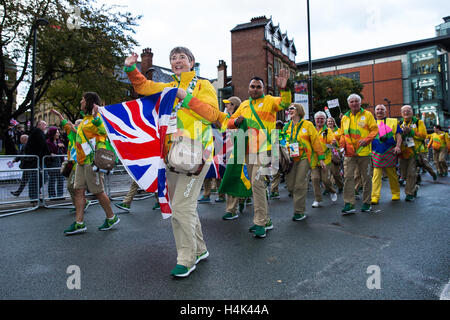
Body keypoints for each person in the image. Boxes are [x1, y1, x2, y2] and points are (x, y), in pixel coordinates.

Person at [124, 47, 228, 277]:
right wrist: (131, 67)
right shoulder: (167, 87)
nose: (177, 61)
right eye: (173, 58)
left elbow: (212, 115)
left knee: (182, 207)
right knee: (182, 206)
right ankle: (200, 250)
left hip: (197, 157)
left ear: (192, 62)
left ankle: (187, 257)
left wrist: (185, 97)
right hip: (171, 157)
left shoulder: (203, 85)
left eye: (182, 57)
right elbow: (143, 86)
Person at [225, 71, 291, 238]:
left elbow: (284, 103)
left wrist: (284, 89)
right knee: (257, 185)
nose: (255, 89)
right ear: (248, 89)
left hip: (264, 149)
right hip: (247, 150)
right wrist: (235, 121)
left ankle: (260, 222)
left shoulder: (269, 100)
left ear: (263, 88)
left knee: (257, 183)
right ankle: (265, 220)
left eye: (258, 87)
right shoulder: (245, 105)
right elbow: (229, 122)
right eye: (252, 86)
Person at [63, 92, 120, 235]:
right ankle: (79, 223)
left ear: (89, 102)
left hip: (92, 162)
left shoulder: (97, 118)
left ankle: (111, 217)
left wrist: (96, 117)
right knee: (78, 191)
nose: (80, 102)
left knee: (98, 192)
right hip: (81, 162)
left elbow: (104, 131)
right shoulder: (84, 121)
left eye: (82, 100)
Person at [283, 103, 325, 221]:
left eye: (292, 108)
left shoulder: (308, 124)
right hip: (290, 159)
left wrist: (321, 158)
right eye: (289, 108)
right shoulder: (287, 126)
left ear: (299, 110)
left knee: (299, 185)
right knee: (291, 186)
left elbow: (316, 142)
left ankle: (299, 211)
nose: (289, 110)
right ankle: (299, 205)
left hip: (304, 158)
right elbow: (281, 140)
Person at [339, 94, 378, 214]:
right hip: (349, 153)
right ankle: (349, 204)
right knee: (348, 178)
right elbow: (342, 134)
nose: (354, 103)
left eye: (356, 101)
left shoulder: (367, 115)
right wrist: (341, 146)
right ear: (348, 104)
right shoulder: (345, 117)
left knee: (366, 178)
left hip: (364, 152)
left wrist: (367, 140)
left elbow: (374, 130)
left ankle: (367, 203)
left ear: (360, 103)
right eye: (351, 102)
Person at [50, 109, 90, 213]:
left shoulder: (85, 135)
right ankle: (81, 204)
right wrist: (59, 114)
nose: (74, 126)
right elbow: (65, 123)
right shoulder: (72, 134)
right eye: (75, 124)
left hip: (80, 164)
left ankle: (81, 204)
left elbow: (81, 136)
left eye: (77, 124)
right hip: (73, 164)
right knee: (73, 187)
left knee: (71, 186)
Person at [370, 104, 403, 205]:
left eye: (382, 109)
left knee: (392, 174)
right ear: (374, 112)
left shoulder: (393, 121)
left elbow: (398, 136)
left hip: (390, 150)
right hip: (375, 151)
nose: (379, 111)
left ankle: (396, 193)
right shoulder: (371, 123)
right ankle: (375, 196)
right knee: (376, 175)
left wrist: (398, 146)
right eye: (378, 109)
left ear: (386, 111)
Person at [398, 105, 427, 201]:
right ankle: (414, 188)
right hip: (402, 153)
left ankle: (409, 193)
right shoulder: (400, 123)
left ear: (412, 111)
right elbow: (396, 136)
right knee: (404, 174)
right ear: (401, 113)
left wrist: (411, 132)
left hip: (414, 152)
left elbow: (423, 136)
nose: (406, 112)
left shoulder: (419, 122)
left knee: (411, 173)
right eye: (404, 111)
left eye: (408, 110)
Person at [311, 111, 338, 207]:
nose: (319, 120)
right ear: (315, 120)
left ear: (325, 120)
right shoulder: (312, 130)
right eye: (318, 118)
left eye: (322, 118)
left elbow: (331, 140)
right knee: (315, 179)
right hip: (314, 159)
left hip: (325, 160)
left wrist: (333, 142)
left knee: (325, 180)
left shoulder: (327, 131)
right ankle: (317, 200)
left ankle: (332, 191)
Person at [25, 120, 50, 200]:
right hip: (37, 159)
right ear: (39, 125)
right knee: (37, 177)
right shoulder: (37, 132)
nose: (46, 126)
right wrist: (48, 154)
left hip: (39, 159)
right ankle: (34, 195)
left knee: (42, 177)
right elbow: (42, 145)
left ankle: (35, 194)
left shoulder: (38, 133)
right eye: (44, 124)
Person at [46, 126, 66, 199]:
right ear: (53, 133)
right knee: (52, 179)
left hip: (60, 162)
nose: (58, 134)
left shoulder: (59, 141)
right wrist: (57, 146)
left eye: (58, 132)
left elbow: (63, 150)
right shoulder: (48, 142)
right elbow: (50, 152)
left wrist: (62, 147)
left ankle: (60, 195)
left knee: (61, 179)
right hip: (52, 163)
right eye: (57, 132)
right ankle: (52, 195)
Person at [326, 117, 344, 193]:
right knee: (326, 173)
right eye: (328, 121)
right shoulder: (324, 131)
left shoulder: (338, 131)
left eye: (331, 121)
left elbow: (342, 141)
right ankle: (328, 188)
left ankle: (340, 186)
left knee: (335, 173)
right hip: (326, 152)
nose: (330, 122)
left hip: (335, 153)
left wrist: (340, 149)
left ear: (334, 122)